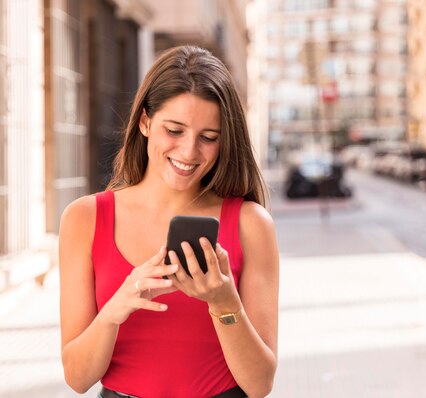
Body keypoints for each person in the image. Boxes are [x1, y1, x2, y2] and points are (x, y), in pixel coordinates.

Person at [58, 45, 279, 398]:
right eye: (174, 130)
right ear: (145, 121)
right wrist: (115, 310)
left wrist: (224, 303)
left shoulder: (250, 224)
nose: (189, 152)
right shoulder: (85, 219)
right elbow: (77, 377)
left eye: (208, 138)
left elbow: (260, 384)